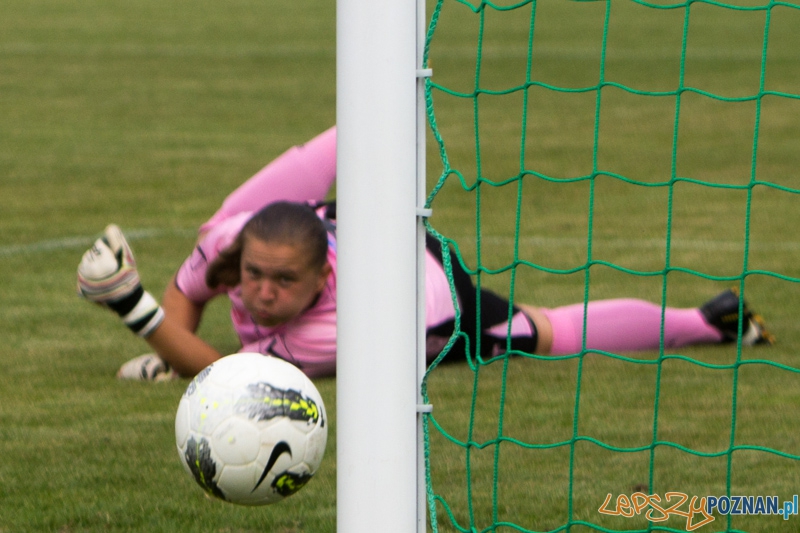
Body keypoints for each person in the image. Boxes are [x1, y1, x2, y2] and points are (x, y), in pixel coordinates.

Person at [76, 126, 774, 381]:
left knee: (543, 331)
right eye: (254, 275)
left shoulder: (334, 328)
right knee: (254, 201)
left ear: (322, 276)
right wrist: (174, 351)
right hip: (341, 223)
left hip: (430, 292)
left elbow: (235, 375)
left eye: (283, 282)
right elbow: (193, 291)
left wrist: (132, 308)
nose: (260, 291)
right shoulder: (236, 238)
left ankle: (704, 320)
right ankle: (368, 119)